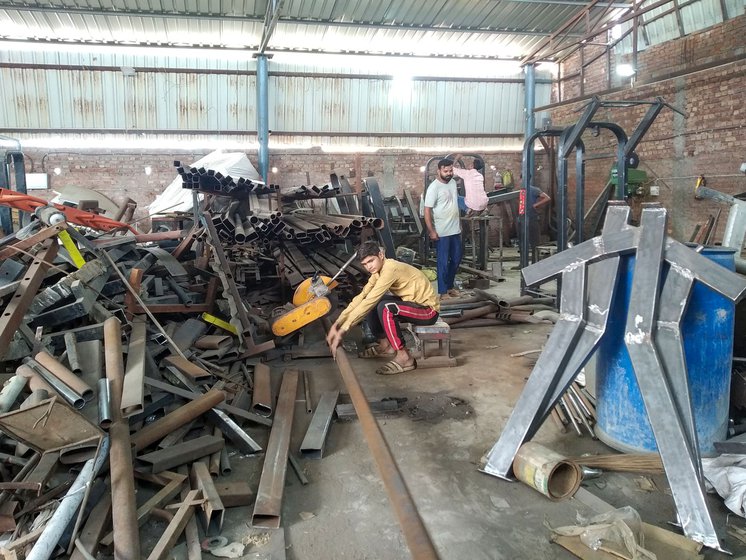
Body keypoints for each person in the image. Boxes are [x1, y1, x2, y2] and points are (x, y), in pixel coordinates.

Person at [326, 241, 439, 375]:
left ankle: (405, 357)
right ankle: (385, 346)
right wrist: (337, 324)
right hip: (412, 304)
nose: (369, 267)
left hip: (427, 311)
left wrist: (343, 331)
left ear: (380, 255)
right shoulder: (377, 273)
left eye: (371, 261)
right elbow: (362, 297)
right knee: (375, 304)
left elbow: (370, 300)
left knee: (386, 307)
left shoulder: (390, 269)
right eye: (365, 264)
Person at [424, 158, 462, 299]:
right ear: (438, 171)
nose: (449, 173)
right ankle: (442, 292)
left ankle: (450, 286)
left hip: (455, 230)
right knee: (443, 262)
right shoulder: (434, 188)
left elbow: (454, 202)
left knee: (457, 259)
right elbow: (427, 210)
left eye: (451, 170)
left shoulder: (452, 183)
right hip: (442, 232)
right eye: (445, 171)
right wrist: (431, 230)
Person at [518, 183, 551, 253]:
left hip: (532, 216)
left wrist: (535, 205)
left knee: (534, 239)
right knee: (522, 239)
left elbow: (547, 198)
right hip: (523, 216)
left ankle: (535, 259)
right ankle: (524, 260)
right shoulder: (521, 190)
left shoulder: (533, 189)